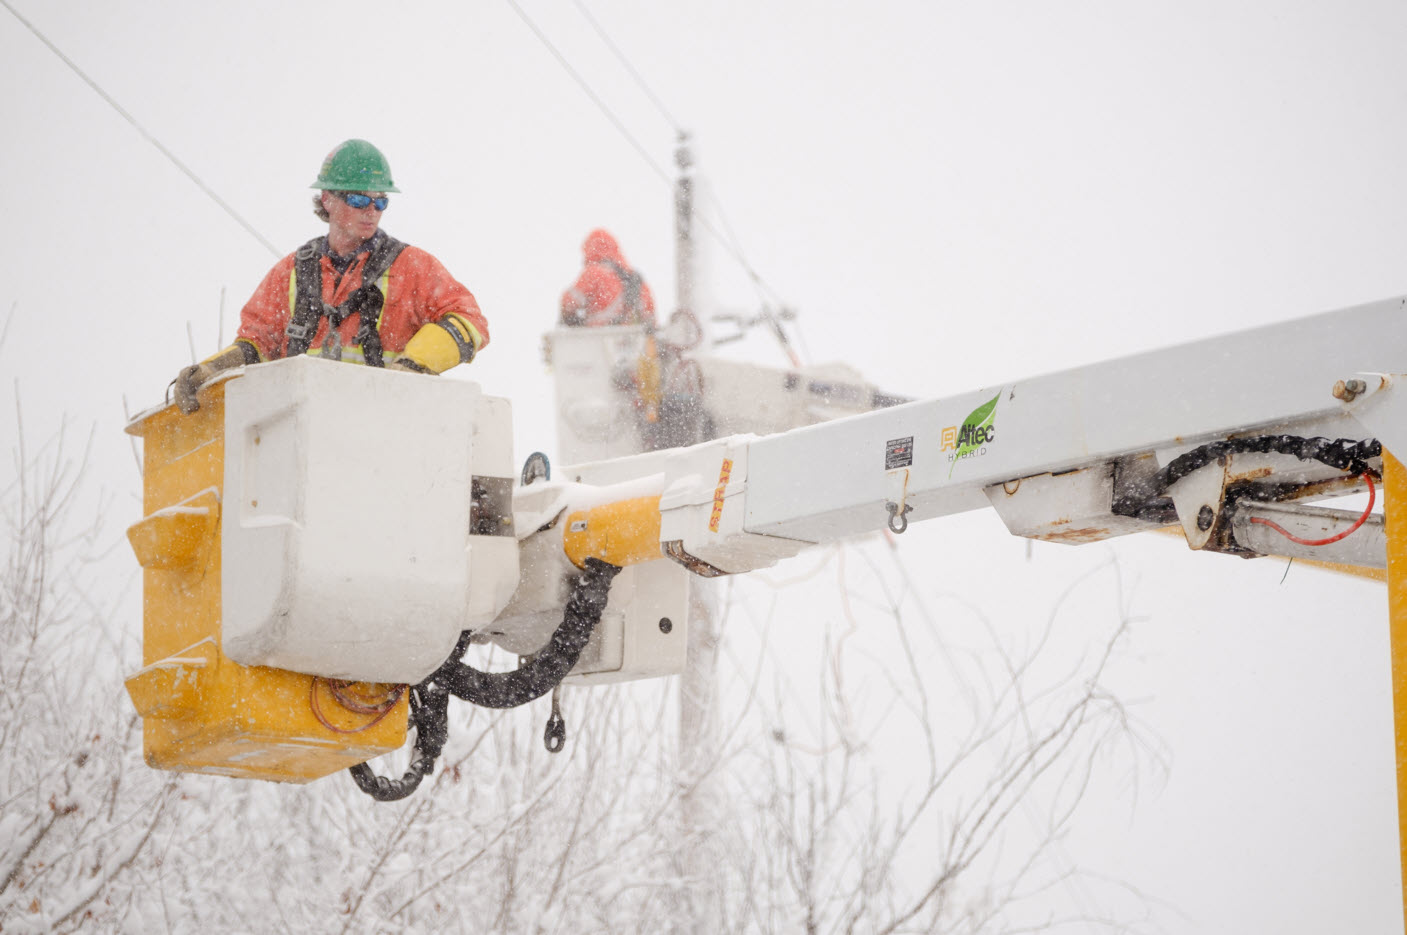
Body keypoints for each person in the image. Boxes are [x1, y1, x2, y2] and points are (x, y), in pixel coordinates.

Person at [174, 139, 488, 413]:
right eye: (359, 199)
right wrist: (213, 370)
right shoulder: (292, 272)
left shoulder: (411, 268)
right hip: (300, 434)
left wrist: (412, 366)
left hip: (383, 427)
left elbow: (469, 322)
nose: (371, 211)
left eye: (381, 201)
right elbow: (256, 344)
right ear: (327, 199)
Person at [559, 229, 656, 328]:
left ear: (590, 249)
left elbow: (568, 303)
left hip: (598, 338)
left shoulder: (595, 273)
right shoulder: (638, 282)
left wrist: (575, 321)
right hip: (634, 341)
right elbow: (651, 321)